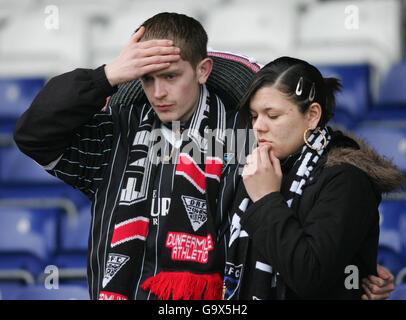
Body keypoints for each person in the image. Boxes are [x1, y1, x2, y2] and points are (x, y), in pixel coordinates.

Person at [13, 12, 395, 300]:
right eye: (147, 78)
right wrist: (106, 75)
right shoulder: (117, 131)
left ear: (203, 70)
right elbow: (33, 133)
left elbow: (305, 207)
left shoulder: (250, 135)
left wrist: (354, 271)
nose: (158, 91)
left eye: (170, 76)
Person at [223, 57, 404, 300]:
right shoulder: (258, 166)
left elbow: (310, 275)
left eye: (272, 115)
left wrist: (266, 199)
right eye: (254, 116)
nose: (259, 127)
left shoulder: (347, 178)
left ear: (312, 115)